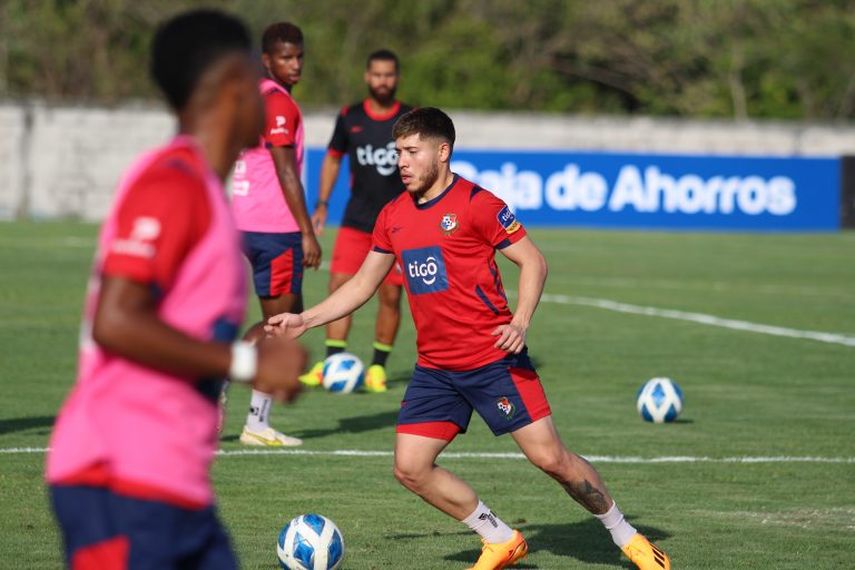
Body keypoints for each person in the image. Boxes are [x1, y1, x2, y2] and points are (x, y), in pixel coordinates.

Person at [266, 107, 671, 570]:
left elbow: (534, 262)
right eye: (398, 152)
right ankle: (499, 538)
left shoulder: (477, 204)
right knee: (410, 467)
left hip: (494, 360)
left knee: (551, 459)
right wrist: (305, 320)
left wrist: (520, 321)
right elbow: (362, 284)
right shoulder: (392, 215)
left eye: (411, 152)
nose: (400, 161)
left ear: (443, 152)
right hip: (436, 369)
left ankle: (626, 534)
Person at [45, 10, 305, 569]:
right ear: (234, 83)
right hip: (118, 479)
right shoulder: (173, 182)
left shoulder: (208, 193)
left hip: (173, 484)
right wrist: (246, 360)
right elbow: (115, 321)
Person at [229, 22, 320, 446]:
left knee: (289, 317)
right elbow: (285, 170)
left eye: (299, 56)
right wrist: (307, 231)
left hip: (246, 220)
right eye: (286, 57)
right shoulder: (280, 105)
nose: (295, 64)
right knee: (280, 327)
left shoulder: (253, 97)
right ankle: (254, 420)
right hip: (275, 225)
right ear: (267, 60)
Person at [301, 49, 413, 393]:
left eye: (389, 75)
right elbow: (333, 160)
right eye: (377, 74)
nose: (383, 81)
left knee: (391, 296)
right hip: (356, 220)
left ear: (397, 77)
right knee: (338, 286)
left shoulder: (410, 118)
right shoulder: (349, 117)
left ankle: (378, 368)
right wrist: (321, 203)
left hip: (398, 224)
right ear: (367, 77)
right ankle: (332, 361)